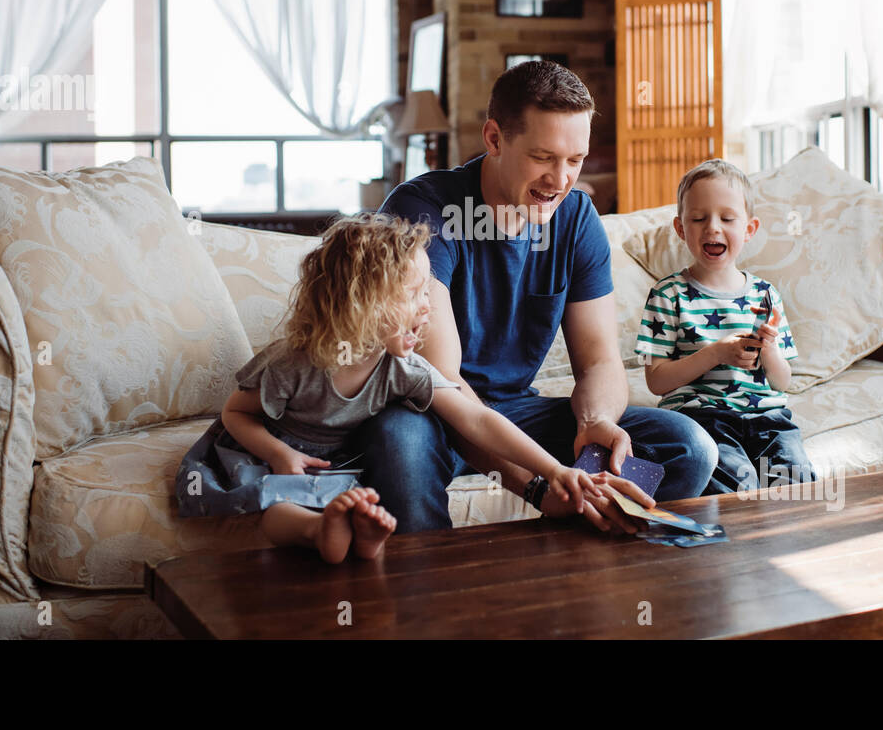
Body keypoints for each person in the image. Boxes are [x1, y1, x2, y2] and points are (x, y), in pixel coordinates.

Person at [373, 60, 718, 533]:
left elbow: (599, 362)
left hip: (518, 413)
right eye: (543, 157)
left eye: (575, 160)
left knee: (688, 447)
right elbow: (442, 382)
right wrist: (536, 486)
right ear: (494, 139)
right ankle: (434, 598)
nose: (560, 181)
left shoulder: (575, 218)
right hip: (431, 412)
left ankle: (576, 573)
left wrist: (594, 423)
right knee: (399, 446)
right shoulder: (422, 211)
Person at [175, 214, 603, 563]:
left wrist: (555, 472)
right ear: (364, 302)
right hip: (274, 454)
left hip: (337, 463)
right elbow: (236, 414)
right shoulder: (296, 363)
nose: (428, 306)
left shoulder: (401, 367)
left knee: (363, 498)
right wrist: (278, 454)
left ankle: (357, 535)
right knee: (277, 509)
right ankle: (317, 530)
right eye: (415, 293)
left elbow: (476, 419)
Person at [635, 159, 815, 494]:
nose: (713, 228)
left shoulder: (766, 294)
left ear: (749, 229)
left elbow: (783, 381)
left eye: (727, 218)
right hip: (704, 418)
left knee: (797, 485)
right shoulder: (668, 294)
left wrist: (770, 349)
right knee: (737, 480)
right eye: (699, 218)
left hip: (769, 420)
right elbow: (657, 381)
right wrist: (716, 353)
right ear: (680, 228)